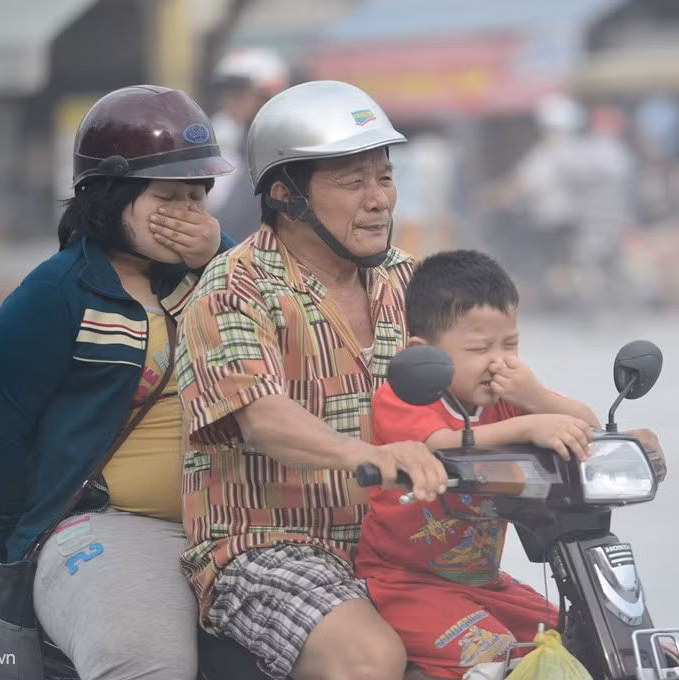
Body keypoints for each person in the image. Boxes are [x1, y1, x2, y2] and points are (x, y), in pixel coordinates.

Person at [173, 80, 450, 680]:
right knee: (370, 658)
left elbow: (484, 376)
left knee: (529, 642)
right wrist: (373, 454)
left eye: (384, 177)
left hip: (402, 541)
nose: (379, 200)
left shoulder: (413, 282)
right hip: (267, 548)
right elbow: (263, 417)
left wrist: (570, 422)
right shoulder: (233, 287)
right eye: (354, 183)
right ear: (285, 194)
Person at [0, 85, 236, 679]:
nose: (188, 214)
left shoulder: (219, 276)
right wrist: (21, 544)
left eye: (197, 197)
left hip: (234, 526)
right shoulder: (54, 295)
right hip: (109, 528)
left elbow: (282, 323)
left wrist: (222, 254)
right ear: (110, 199)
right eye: (167, 197)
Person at [354, 249, 667, 679]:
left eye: (511, 344)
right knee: (500, 658)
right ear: (423, 355)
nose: (499, 361)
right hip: (405, 584)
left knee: (587, 639)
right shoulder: (405, 396)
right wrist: (531, 427)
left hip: (486, 584)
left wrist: (535, 397)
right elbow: (441, 446)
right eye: (480, 348)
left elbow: (586, 428)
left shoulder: (511, 401)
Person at [207, 47, 290, 241]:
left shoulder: (288, 143)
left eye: (238, 91)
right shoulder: (220, 135)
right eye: (226, 91)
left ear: (267, 94)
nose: (230, 100)